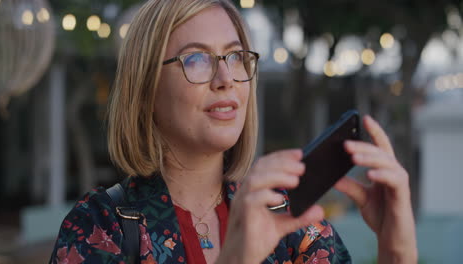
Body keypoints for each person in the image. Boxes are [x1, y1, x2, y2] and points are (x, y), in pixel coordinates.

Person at [50, 0, 418, 263]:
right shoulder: (100, 227)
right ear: (146, 91)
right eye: (196, 59)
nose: (226, 79)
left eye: (235, 56)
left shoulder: (294, 226)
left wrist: (396, 250)